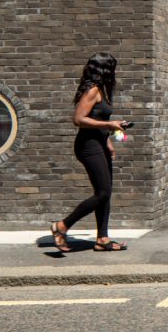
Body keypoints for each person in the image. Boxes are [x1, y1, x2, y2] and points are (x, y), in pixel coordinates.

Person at [49, 53, 132, 252]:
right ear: (105, 70)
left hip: (99, 144)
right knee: (102, 193)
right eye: (112, 68)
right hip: (88, 146)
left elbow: (96, 119)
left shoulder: (101, 89)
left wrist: (108, 139)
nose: (115, 72)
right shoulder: (92, 90)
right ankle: (61, 226)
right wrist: (109, 124)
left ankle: (102, 239)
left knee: (106, 193)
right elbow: (78, 118)